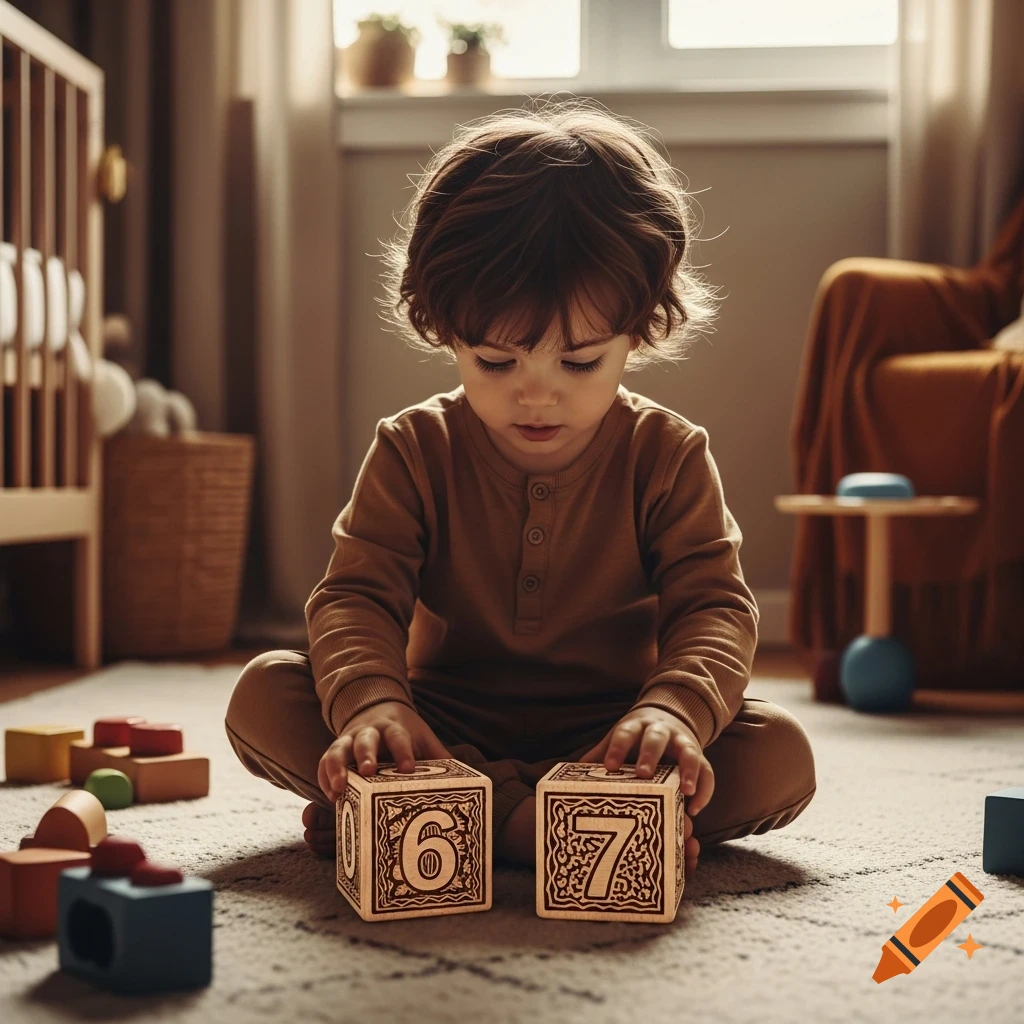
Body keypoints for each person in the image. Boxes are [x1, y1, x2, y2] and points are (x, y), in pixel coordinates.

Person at [225, 99, 816, 875]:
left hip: (614, 738)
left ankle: (442, 825)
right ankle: (546, 833)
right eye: (496, 364)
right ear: (444, 329)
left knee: (781, 755)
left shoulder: (667, 454)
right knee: (265, 694)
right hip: (438, 728)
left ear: (640, 331)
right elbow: (355, 599)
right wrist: (377, 706)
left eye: (579, 364)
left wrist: (670, 710)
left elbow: (714, 607)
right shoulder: (413, 449)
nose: (537, 397)